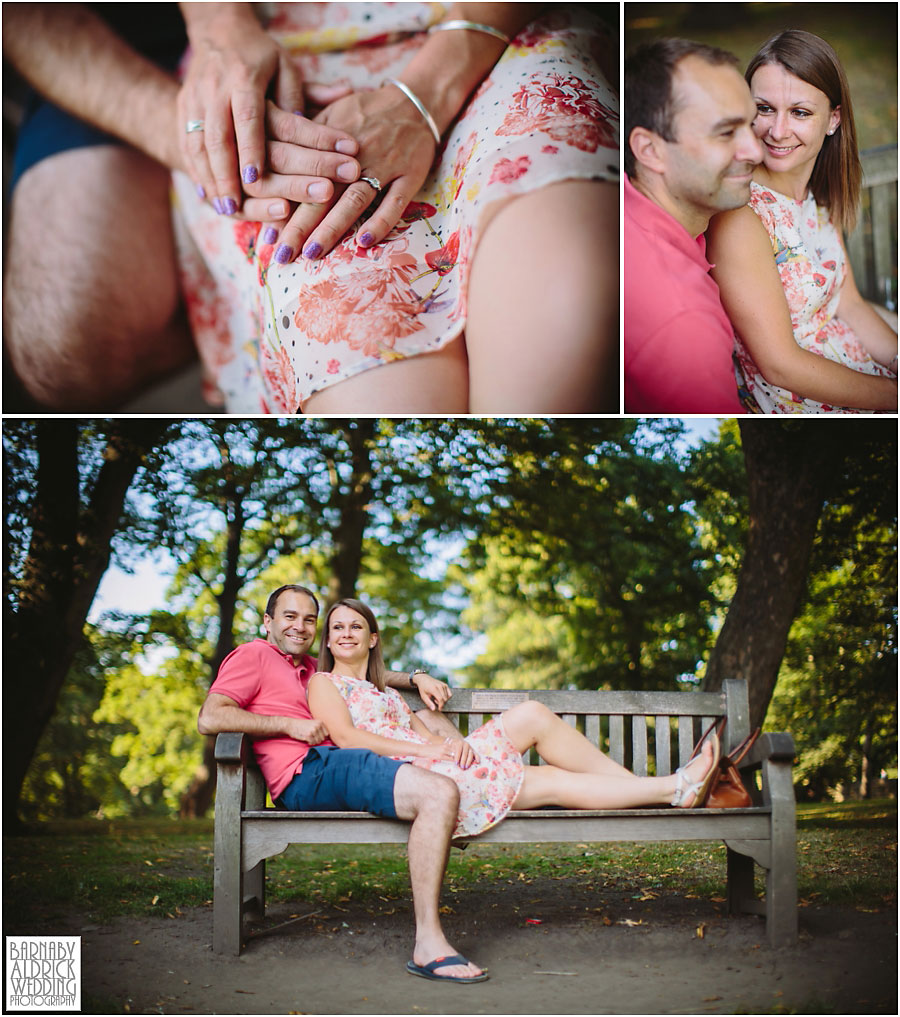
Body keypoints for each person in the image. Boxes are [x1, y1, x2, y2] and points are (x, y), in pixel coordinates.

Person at [172, 2, 619, 413]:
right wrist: (220, 27)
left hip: (498, 26)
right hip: (278, 64)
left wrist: (421, 97)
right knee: (365, 372)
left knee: (566, 305)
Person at [196, 585, 487, 984]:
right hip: (307, 772)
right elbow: (210, 718)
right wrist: (288, 725)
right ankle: (428, 947)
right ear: (268, 622)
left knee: (439, 782)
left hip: (336, 764)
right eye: (289, 616)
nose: (300, 626)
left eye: (309, 619)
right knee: (437, 791)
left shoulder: (307, 668)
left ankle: (455, 811)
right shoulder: (254, 655)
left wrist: (416, 677)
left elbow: (366, 670)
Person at [307, 599, 721, 844]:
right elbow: (347, 738)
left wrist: (448, 745)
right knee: (546, 780)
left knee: (533, 714)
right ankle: (671, 789)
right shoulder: (324, 684)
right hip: (407, 779)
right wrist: (431, 750)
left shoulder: (390, 694)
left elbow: (427, 733)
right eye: (337, 627)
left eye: (356, 626)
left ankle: (648, 791)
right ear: (327, 640)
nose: (346, 633)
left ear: (373, 638)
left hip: (437, 760)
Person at [706, 30, 898, 413]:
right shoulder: (740, 216)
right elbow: (780, 366)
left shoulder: (817, 197)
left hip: (855, 370)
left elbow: (852, 305)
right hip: (801, 406)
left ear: (833, 120)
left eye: (800, 112)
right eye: (764, 108)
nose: (777, 131)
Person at [623, 38, 763, 414]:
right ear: (650, 151)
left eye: (750, 124)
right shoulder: (684, 326)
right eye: (725, 132)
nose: (757, 151)